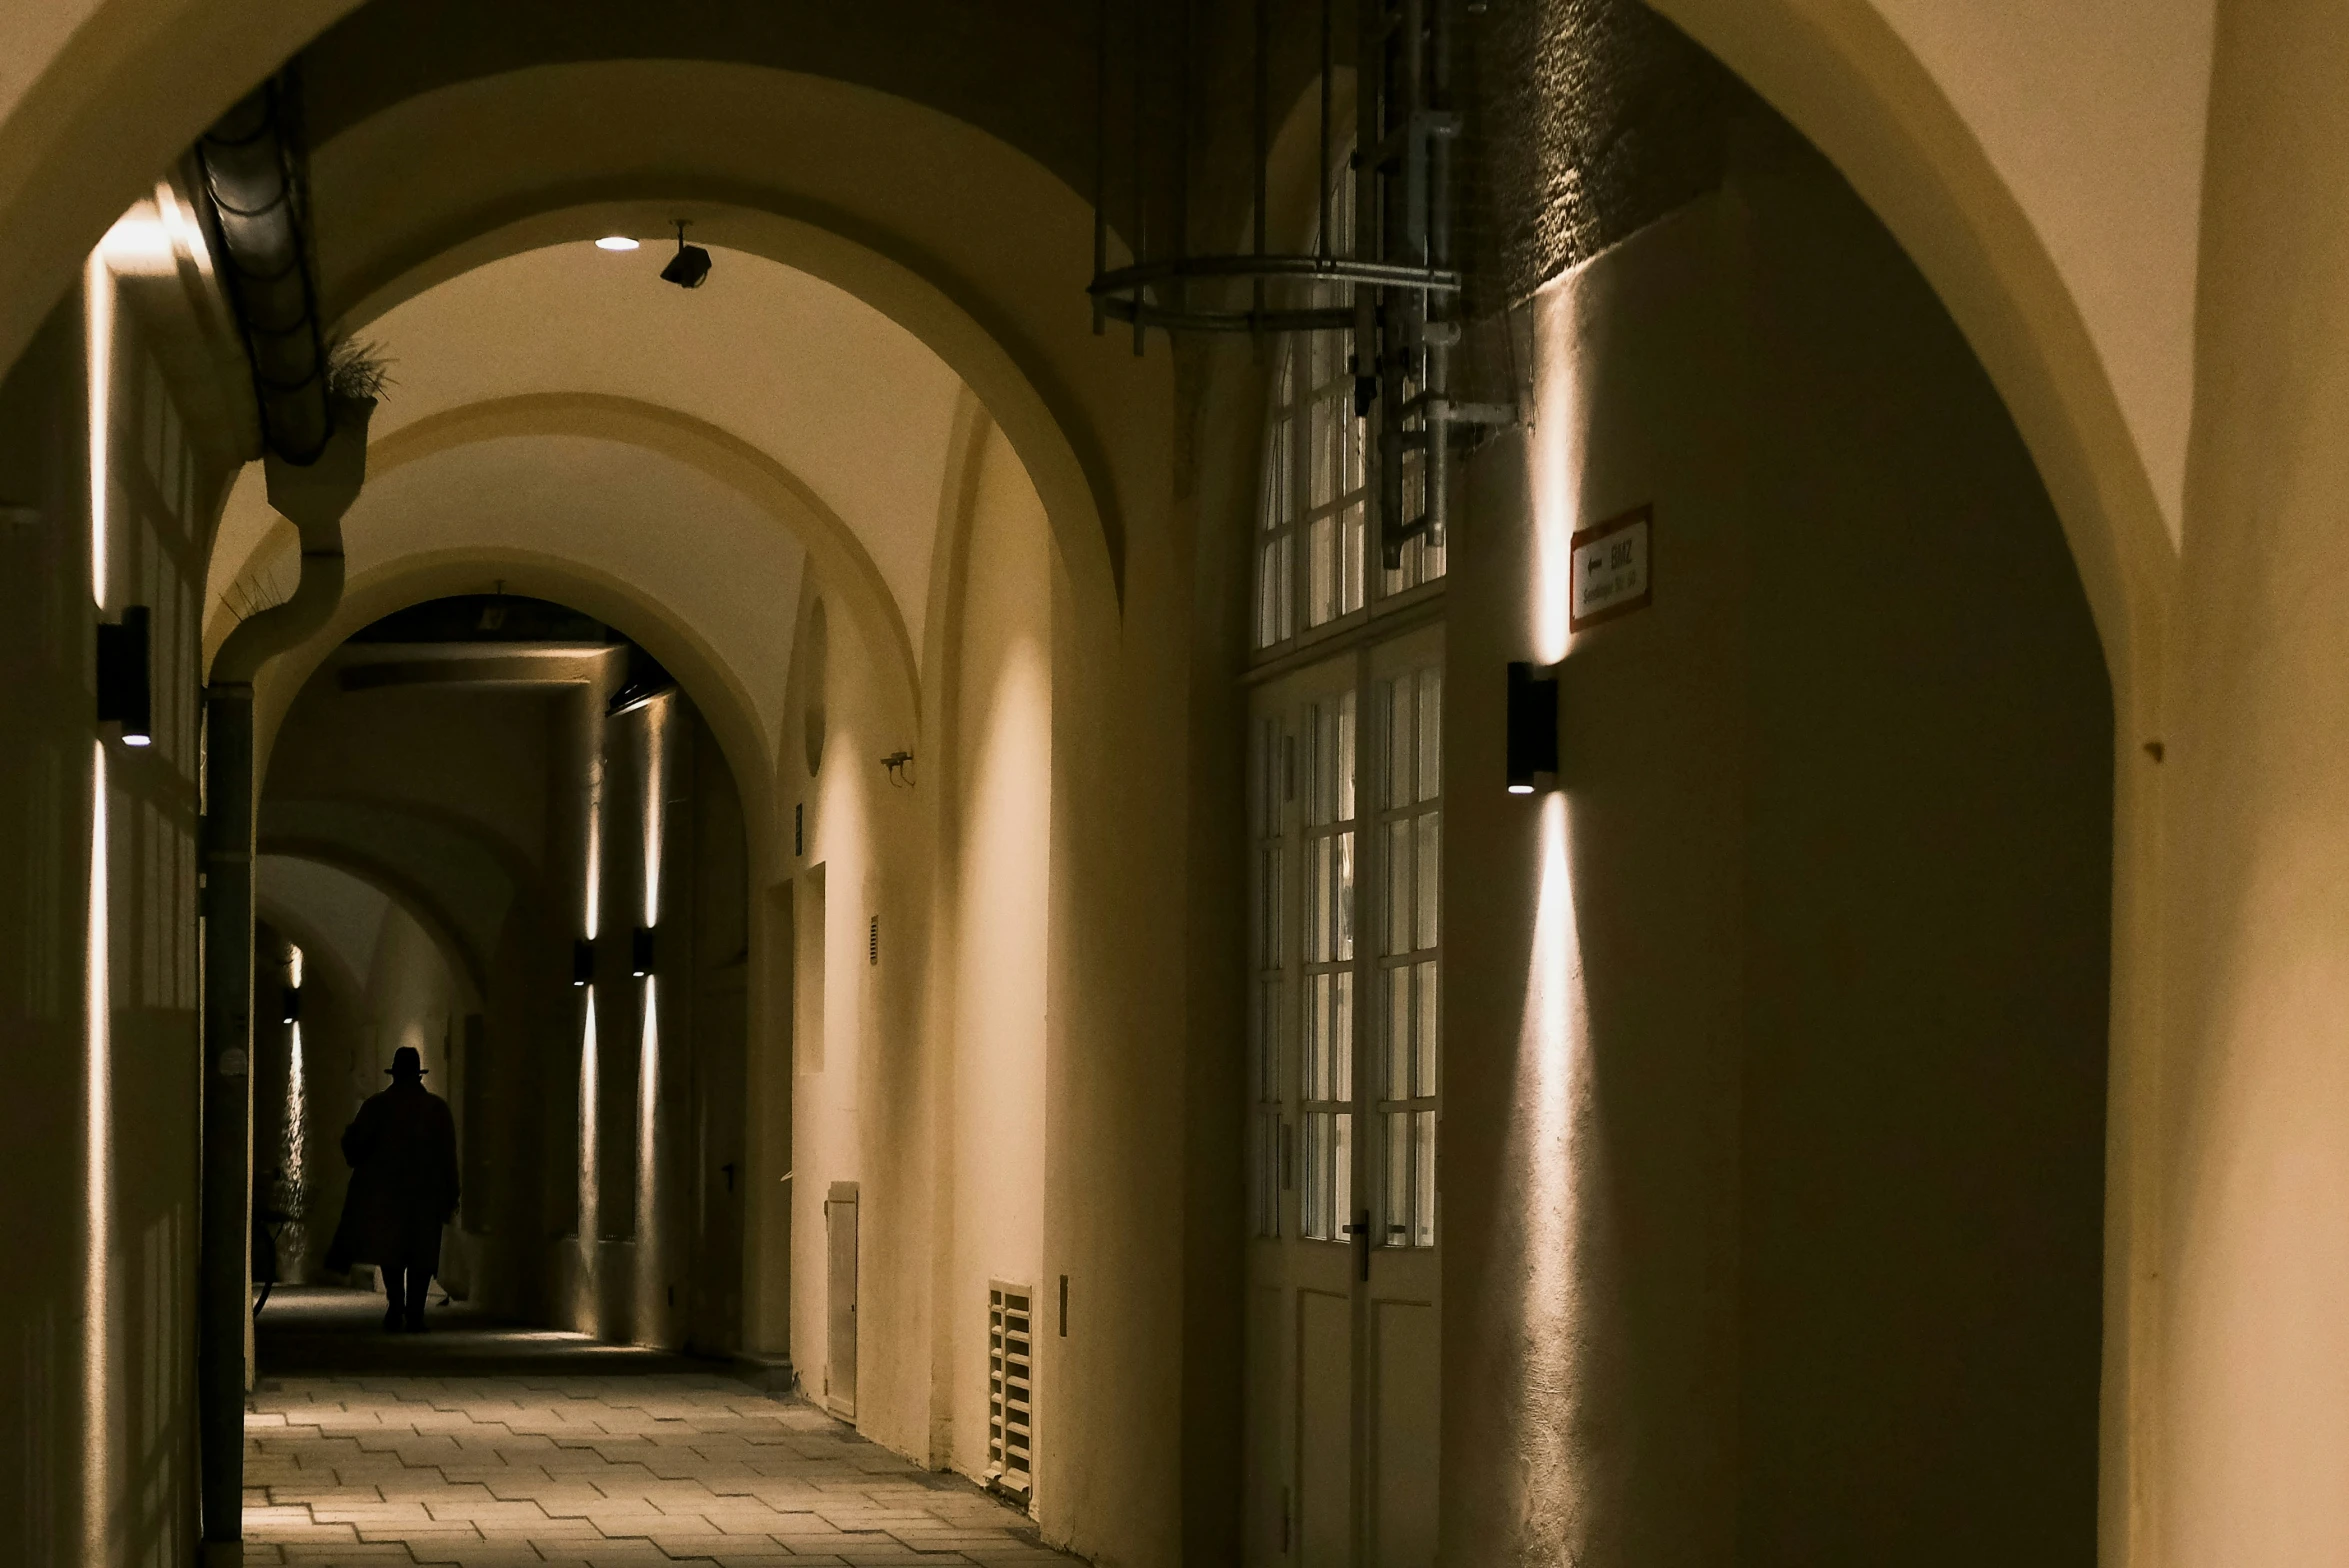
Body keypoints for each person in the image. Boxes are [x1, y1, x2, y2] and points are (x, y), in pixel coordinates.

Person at [332, 1046, 459, 1332]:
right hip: (426, 1195)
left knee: (391, 1253)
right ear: (418, 1074)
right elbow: (447, 1155)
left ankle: (396, 1305)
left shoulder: (377, 1106)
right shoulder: (436, 1110)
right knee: (422, 1254)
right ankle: (415, 1311)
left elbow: (355, 1148)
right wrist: (452, 1192)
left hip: (386, 1194)